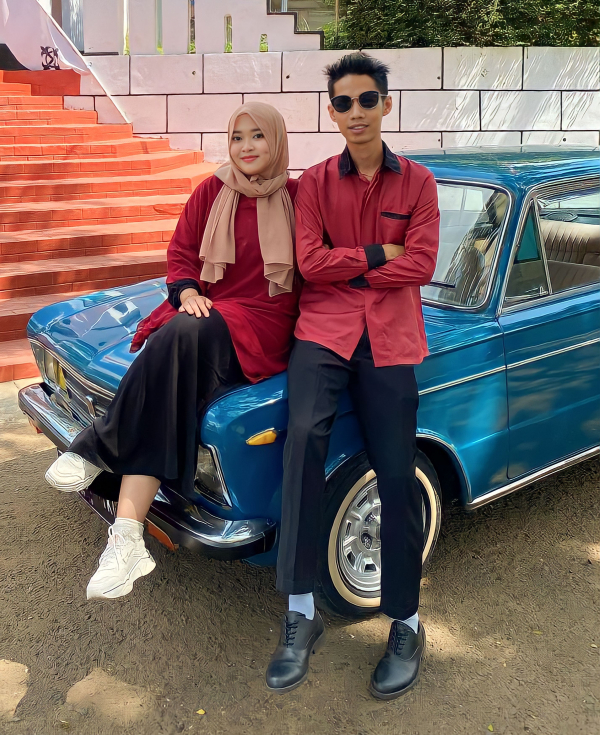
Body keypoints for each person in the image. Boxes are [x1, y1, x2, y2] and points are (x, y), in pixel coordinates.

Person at [45, 103, 300, 601]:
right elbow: (182, 253)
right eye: (237, 137)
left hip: (266, 321)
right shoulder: (212, 191)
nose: (246, 147)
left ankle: (97, 447)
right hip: (207, 311)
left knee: (178, 335)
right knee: (167, 391)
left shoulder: (298, 197)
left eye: (258, 136)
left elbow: (322, 259)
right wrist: (185, 290)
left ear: (277, 141)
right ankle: (126, 537)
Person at [265, 52, 440, 701]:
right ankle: (301, 613)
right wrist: (376, 255)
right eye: (343, 103)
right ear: (332, 112)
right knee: (302, 444)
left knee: (396, 472)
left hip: (391, 338)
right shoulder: (314, 183)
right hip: (324, 333)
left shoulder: (418, 183)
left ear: (386, 105)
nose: (355, 112)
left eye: (367, 99)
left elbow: (421, 263)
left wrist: (353, 268)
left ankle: (406, 623)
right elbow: (310, 264)